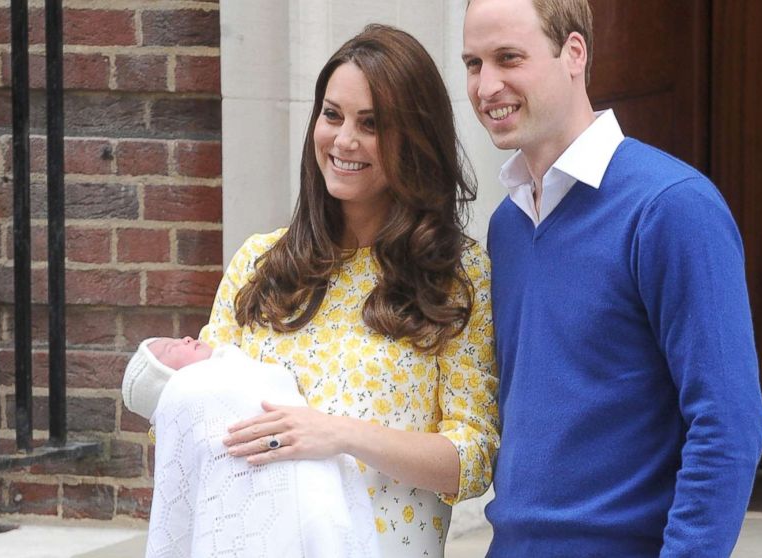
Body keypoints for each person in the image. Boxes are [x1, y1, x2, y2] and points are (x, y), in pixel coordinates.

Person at [461, 1, 762, 556]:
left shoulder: (672, 207)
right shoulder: (508, 225)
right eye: (474, 64)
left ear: (573, 53)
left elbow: (727, 427)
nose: (487, 86)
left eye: (509, 58)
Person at [202, 24, 499, 558]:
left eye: (372, 124)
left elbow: (473, 459)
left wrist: (341, 434)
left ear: (416, 138)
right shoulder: (258, 263)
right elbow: (195, 417)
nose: (343, 140)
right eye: (332, 115)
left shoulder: (456, 275)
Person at [122, 336, 379, 558]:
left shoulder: (239, 366)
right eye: (170, 348)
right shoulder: (189, 391)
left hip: (317, 473)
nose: (186, 339)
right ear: (165, 384)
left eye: (178, 338)